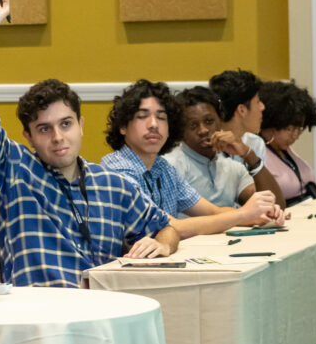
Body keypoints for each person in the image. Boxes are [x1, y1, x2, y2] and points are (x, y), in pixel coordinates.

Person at [0, 0, 178, 288]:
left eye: (65, 124)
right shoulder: (14, 172)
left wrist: (163, 243)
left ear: (81, 125)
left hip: (100, 316)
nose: (58, 137)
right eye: (44, 129)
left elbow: (166, 226)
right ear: (28, 136)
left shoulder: (113, 186)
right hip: (38, 320)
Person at [101, 80, 283, 237]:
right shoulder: (117, 170)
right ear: (123, 126)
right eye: (142, 116)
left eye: (161, 117)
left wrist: (261, 213)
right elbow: (170, 226)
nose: (154, 125)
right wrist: (243, 215)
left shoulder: (163, 168)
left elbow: (215, 211)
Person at [165, 86, 275, 209]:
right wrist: (239, 216)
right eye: (193, 125)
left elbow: (273, 205)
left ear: (220, 122)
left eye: (209, 121)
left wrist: (249, 155)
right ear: (180, 131)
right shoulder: (170, 166)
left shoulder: (231, 167)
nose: (203, 130)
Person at [209, 69, 285, 206]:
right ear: (242, 110)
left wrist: (250, 155)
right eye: (258, 102)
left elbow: (269, 201)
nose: (262, 107)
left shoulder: (254, 142)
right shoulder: (209, 144)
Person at [259, 80, 316, 203]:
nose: (295, 136)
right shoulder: (258, 152)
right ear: (271, 124)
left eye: (299, 129)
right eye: (289, 129)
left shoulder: (284, 150)